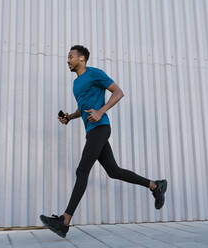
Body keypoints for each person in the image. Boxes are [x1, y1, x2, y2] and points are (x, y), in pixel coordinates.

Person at [40, 45, 167, 238]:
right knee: (114, 171)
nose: (68, 60)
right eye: (68, 57)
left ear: (81, 59)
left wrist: (101, 111)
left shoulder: (95, 74)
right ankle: (155, 186)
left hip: (101, 129)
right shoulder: (76, 83)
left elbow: (118, 92)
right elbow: (82, 108)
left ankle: (64, 221)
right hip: (92, 131)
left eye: (71, 57)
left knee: (82, 171)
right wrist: (69, 117)